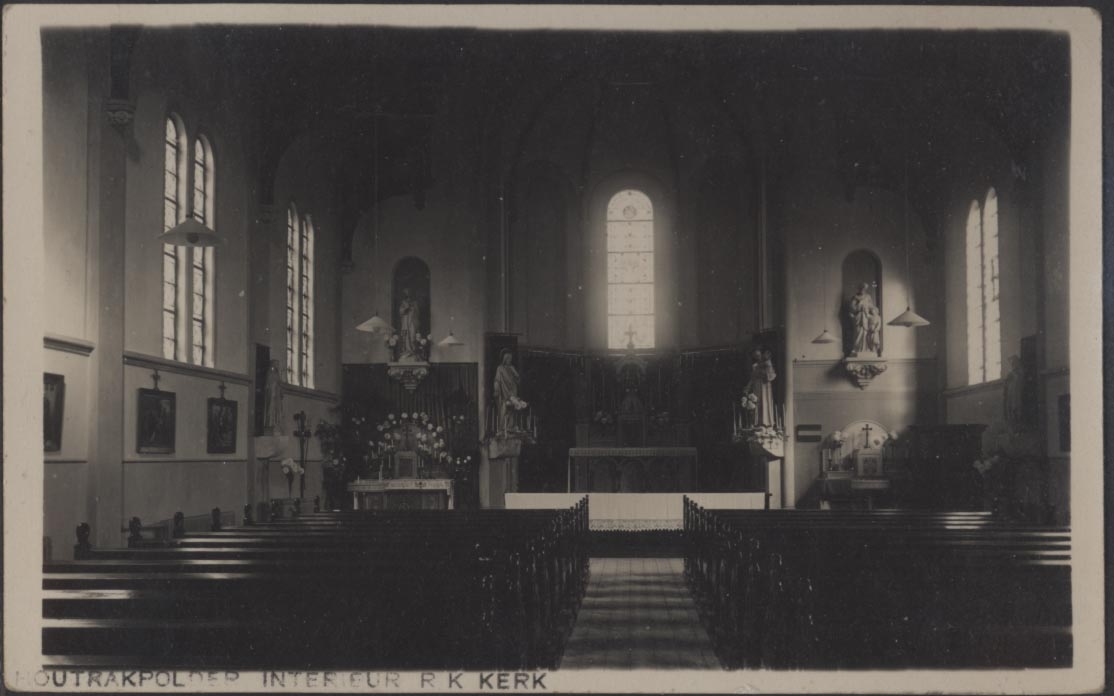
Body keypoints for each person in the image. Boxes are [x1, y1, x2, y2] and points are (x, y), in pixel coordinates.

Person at [493, 349, 524, 436]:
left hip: (513, 391)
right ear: (504, 358)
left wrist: (515, 373)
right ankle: (502, 428)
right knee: (504, 409)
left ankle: (511, 428)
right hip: (504, 392)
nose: (510, 360)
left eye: (511, 358)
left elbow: (518, 380)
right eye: (508, 358)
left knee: (512, 410)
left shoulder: (512, 368)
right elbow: (497, 380)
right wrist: (496, 390)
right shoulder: (500, 368)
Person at [848, 283, 877, 356]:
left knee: (865, 333)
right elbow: (852, 308)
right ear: (859, 289)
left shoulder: (868, 297)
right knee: (858, 332)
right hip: (858, 317)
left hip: (866, 317)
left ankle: (865, 349)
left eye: (864, 289)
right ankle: (857, 348)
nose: (863, 290)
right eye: (862, 288)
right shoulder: (855, 297)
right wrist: (859, 306)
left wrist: (872, 311)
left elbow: (871, 307)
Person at [398, 289, 421, 359]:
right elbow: (401, 312)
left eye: (409, 293)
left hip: (412, 322)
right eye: (406, 293)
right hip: (405, 322)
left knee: (413, 336)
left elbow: (418, 313)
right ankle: (406, 351)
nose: (408, 295)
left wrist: (412, 309)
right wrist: (406, 308)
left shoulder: (415, 303)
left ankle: (413, 351)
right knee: (405, 336)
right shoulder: (403, 303)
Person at [262, 359, 283, 435]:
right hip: (272, 394)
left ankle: (276, 424)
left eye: (278, 364)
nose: (278, 365)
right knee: (270, 409)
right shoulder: (270, 373)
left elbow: (279, 383)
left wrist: (280, 389)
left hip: (277, 395)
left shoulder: (277, 373)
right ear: (273, 364)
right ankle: (270, 424)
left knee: (277, 410)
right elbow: (268, 385)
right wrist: (273, 389)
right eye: (276, 364)